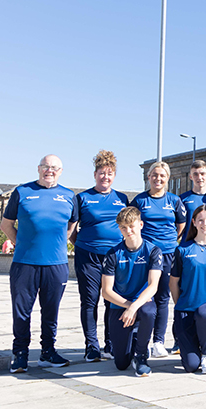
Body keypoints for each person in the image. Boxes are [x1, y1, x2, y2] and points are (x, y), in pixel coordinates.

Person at [0, 154, 79, 373]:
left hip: (56, 265)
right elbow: (5, 225)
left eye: (54, 168)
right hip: (25, 263)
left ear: (60, 171)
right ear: (38, 169)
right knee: (22, 311)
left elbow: (72, 224)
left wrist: (58, 243)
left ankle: (47, 352)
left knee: (51, 311)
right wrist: (22, 243)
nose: (49, 171)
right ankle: (20, 354)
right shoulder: (22, 192)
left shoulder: (68, 196)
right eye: (45, 166)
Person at [70, 150, 129, 362]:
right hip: (88, 256)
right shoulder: (82, 198)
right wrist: (84, 245)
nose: (106, 177)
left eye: (110, 173)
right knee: (89, 301)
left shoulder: (121, 198)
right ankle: (91, 346)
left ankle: (110, 344)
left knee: (111, 301)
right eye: (102, 173)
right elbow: (72, 230)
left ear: (114, 176)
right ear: (95, 174)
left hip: (113, 257)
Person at [130, 161, 186, 357]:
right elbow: (132, 225)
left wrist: (167, 243)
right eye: (154, 175)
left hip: (168, 254)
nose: (158, 179)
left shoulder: (174, 200)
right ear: (148, 177)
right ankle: (140, 340)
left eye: (162, 175)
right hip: (144, 255)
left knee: (163, 298)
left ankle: (158, 341)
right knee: (142, 296)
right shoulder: (139, 200)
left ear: (167, 178)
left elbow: (181, 225)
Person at [101, 207, 162, 377]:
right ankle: (134, 338)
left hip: (142, 303)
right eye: (123, 227)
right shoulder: (113, 253)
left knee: (148, 312)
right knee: (121, 363)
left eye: (132, 226)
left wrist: (134, 307)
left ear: (141, 224)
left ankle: (141, 355)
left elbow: (153, 286)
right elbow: (106, 291)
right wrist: (128, 306)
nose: (128, 231)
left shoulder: (153, 251)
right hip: (120, 305)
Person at [170, 205, 206, 374]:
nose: (205, 224)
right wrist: (180, 303)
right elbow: (173, 283)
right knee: (190, 366)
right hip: (185, 309)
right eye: (201, 220)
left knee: (203, 313)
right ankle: (197, 347)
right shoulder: (182, 249)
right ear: (194, 222)